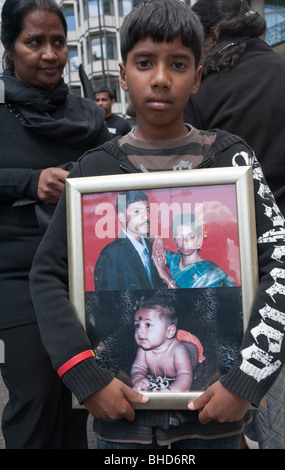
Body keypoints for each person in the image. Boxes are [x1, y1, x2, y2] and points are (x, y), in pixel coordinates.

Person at [30, 0, 285, 449]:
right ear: (122, 74)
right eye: (144, 62)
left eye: (177, 64)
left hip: (216, 419)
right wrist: (86, 375)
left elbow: (283, 262)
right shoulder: (93, 170)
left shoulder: (231, 157)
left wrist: (246, 380)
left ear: (197, 76)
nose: (159, 77)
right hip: (122, 424)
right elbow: (47, 275)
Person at [184, 0, 285, 449]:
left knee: (229, 382)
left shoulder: (201, 90)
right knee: (282, 379)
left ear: (207, 35)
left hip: (225, 263)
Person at [0, 0, 110, 449]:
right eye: (34, 42)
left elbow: (116, 170)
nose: (49, 54)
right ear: (9, 47)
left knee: (77, 399)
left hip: (79, 277)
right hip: (17, 277)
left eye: (58, 43)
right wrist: (31, 182)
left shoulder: (89, 116)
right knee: (37, 396)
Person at [94, 190, 164, 291]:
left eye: (147, 210)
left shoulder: (152, 247)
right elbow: (108, 301)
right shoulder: (111, 254)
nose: (146, 216)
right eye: (137, 212)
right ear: (122, 217)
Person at [131, 297, 204, 393]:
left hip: (189, 345)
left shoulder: (178, 351)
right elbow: (137, 368)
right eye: (137, 325)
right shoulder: (143, 350)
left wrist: (169, 391)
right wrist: (138, 379)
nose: (139, 330)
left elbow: (185, 375)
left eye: (148, 325)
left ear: (169, 331)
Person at [152, 213, 235, 288]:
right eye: (179, 237)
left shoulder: (209, 272)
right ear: (175, 241)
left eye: (190, 236)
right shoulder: (174, 260)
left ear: (199, 240)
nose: (184, 242)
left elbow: (188, 303)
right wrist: (159, 237)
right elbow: (149, 243)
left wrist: (166, 277)